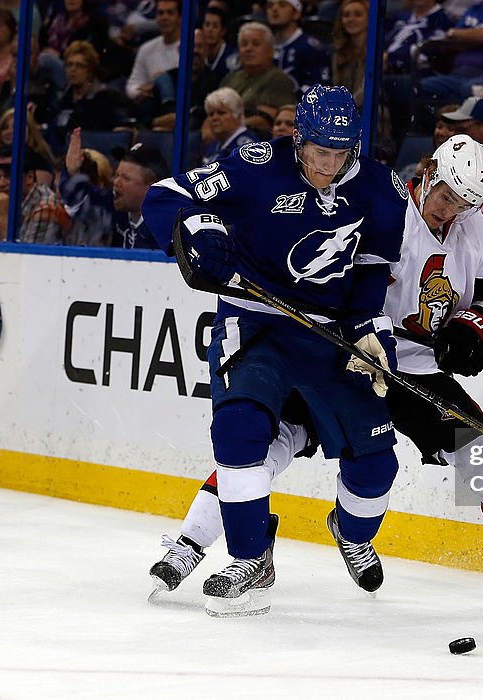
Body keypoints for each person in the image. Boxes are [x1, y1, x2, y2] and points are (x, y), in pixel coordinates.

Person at [147, 134, 483, 605]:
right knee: (262, 445)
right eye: (445, 196)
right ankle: (192, 542)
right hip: (347, 356)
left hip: (418, 370)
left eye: (464, 204)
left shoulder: (474, 231)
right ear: (428, 173)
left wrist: (473, 331)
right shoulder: (385, 208)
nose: (449, 210)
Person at [142, 85, 408, 617]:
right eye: (318, 152)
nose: (327, 165)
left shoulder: (383, 190)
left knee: (377, 465)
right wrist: (204, 229)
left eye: (340, 153)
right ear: (298, 139)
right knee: (238, 432)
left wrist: (369, 332)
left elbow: (372, 273)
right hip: (257, 325)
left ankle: (351, 531)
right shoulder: (257, 164)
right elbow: (164, 195)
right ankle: (248, 558)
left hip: (329, 333)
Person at [112, 143, 167, 249]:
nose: (116, 182)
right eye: (116, 175)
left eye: (126, 178)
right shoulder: (114, 215)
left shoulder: (167, 232)